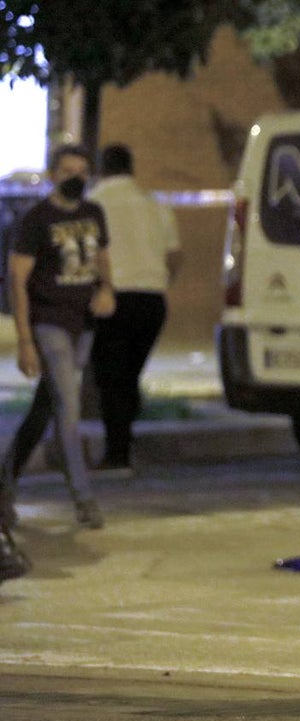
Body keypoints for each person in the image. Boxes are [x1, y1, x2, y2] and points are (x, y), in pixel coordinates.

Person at [0, 145, 116, 530]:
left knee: (44, 410)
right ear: (53, 174)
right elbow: (17, 279)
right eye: (68, 170)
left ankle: (3, 488)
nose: (76, 178)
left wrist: (106, 289)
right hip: (49, 323)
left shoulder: (94, 212)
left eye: (83, 171)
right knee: (69, 409)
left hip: (83, 324)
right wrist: (25, 340)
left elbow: (102, 258)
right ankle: (83, 498)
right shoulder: (37, 219)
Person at [87, 144, 183, 473]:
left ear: (102, 168)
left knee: (111, 378)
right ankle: (124, 444)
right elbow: (174, 257)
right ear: (131, 168)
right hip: (152, 301)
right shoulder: (155, 205)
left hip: (113, 298)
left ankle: (117, 453)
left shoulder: (93, 204)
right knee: (129, 375)